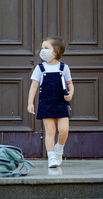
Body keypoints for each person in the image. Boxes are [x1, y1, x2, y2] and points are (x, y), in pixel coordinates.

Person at [27, 37, 74, 168]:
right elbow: (34, 86)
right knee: (50, 131)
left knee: (64, 130)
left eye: (46, 48)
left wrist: (71, 94)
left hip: (61, 103)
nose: (42, 51)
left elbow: (70, 84)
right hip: (46, 103)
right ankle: (51, 157)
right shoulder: (40, 68)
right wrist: (30, 102)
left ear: (55, 52)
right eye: (42, 48)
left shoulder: (64, 68)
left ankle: (59, 148)